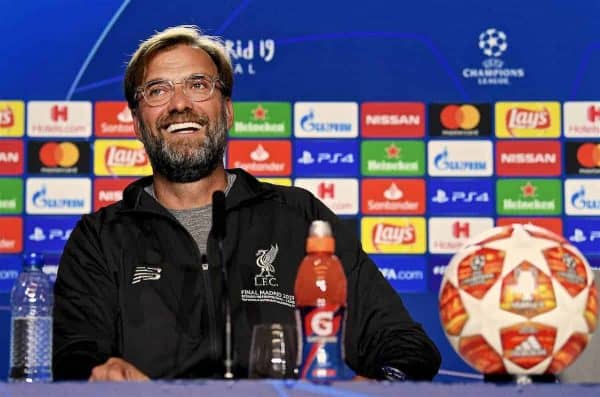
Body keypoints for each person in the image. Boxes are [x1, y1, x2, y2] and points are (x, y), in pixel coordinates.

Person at [53, 25, 441, 382]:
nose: (179, 104)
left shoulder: (300, 217)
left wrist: (382, 384)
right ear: (137, 124)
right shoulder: (100, 239)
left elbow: (404, 345)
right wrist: (98, 375)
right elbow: (73, 358)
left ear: (226, 110)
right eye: (157, 90)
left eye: (198, 85)